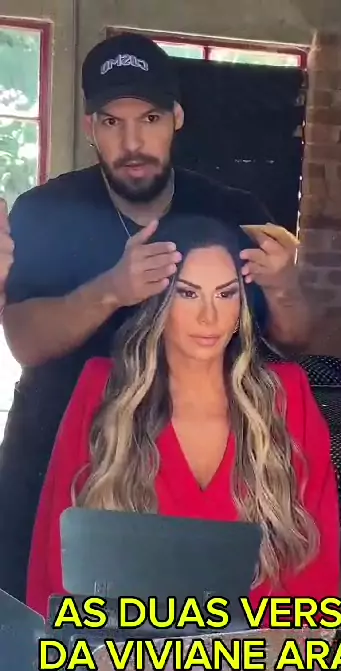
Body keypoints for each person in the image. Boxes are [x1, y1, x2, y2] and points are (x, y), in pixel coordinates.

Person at [0, 32, 310, 603]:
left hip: (191, 466)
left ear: (176, 119)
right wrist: (110, 290)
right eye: (112, 122)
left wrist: (285, 289)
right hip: (54, 449)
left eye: (149, 118)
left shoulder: (231, 213)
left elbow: (290, 341)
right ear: (90, 127)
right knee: (43, 617)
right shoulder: (46, 212)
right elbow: (23, 342)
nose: (133, 142)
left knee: (193, 629)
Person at [26, 217, 340, 618]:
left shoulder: (286, 396)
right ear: (159, 300)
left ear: (242, 305)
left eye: (226, 294)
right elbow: (56, 553)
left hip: (258, 650)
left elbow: (315, 562)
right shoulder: (103, 390)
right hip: (127, 649)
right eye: (188, 293)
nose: (209, 316)